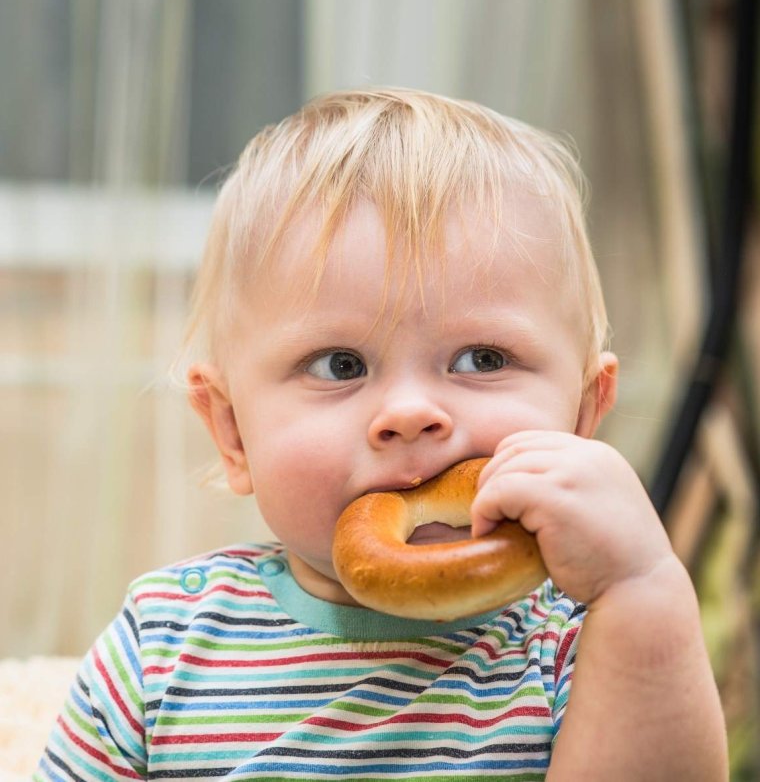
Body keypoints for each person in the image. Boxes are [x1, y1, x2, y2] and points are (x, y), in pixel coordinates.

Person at [36, 87, 727, 781]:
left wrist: (642, 592)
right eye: (340, 364)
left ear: (580, 415)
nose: (408, 411)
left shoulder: (580, 643)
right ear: (233, 430)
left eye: (482, 358)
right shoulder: (163, 645)